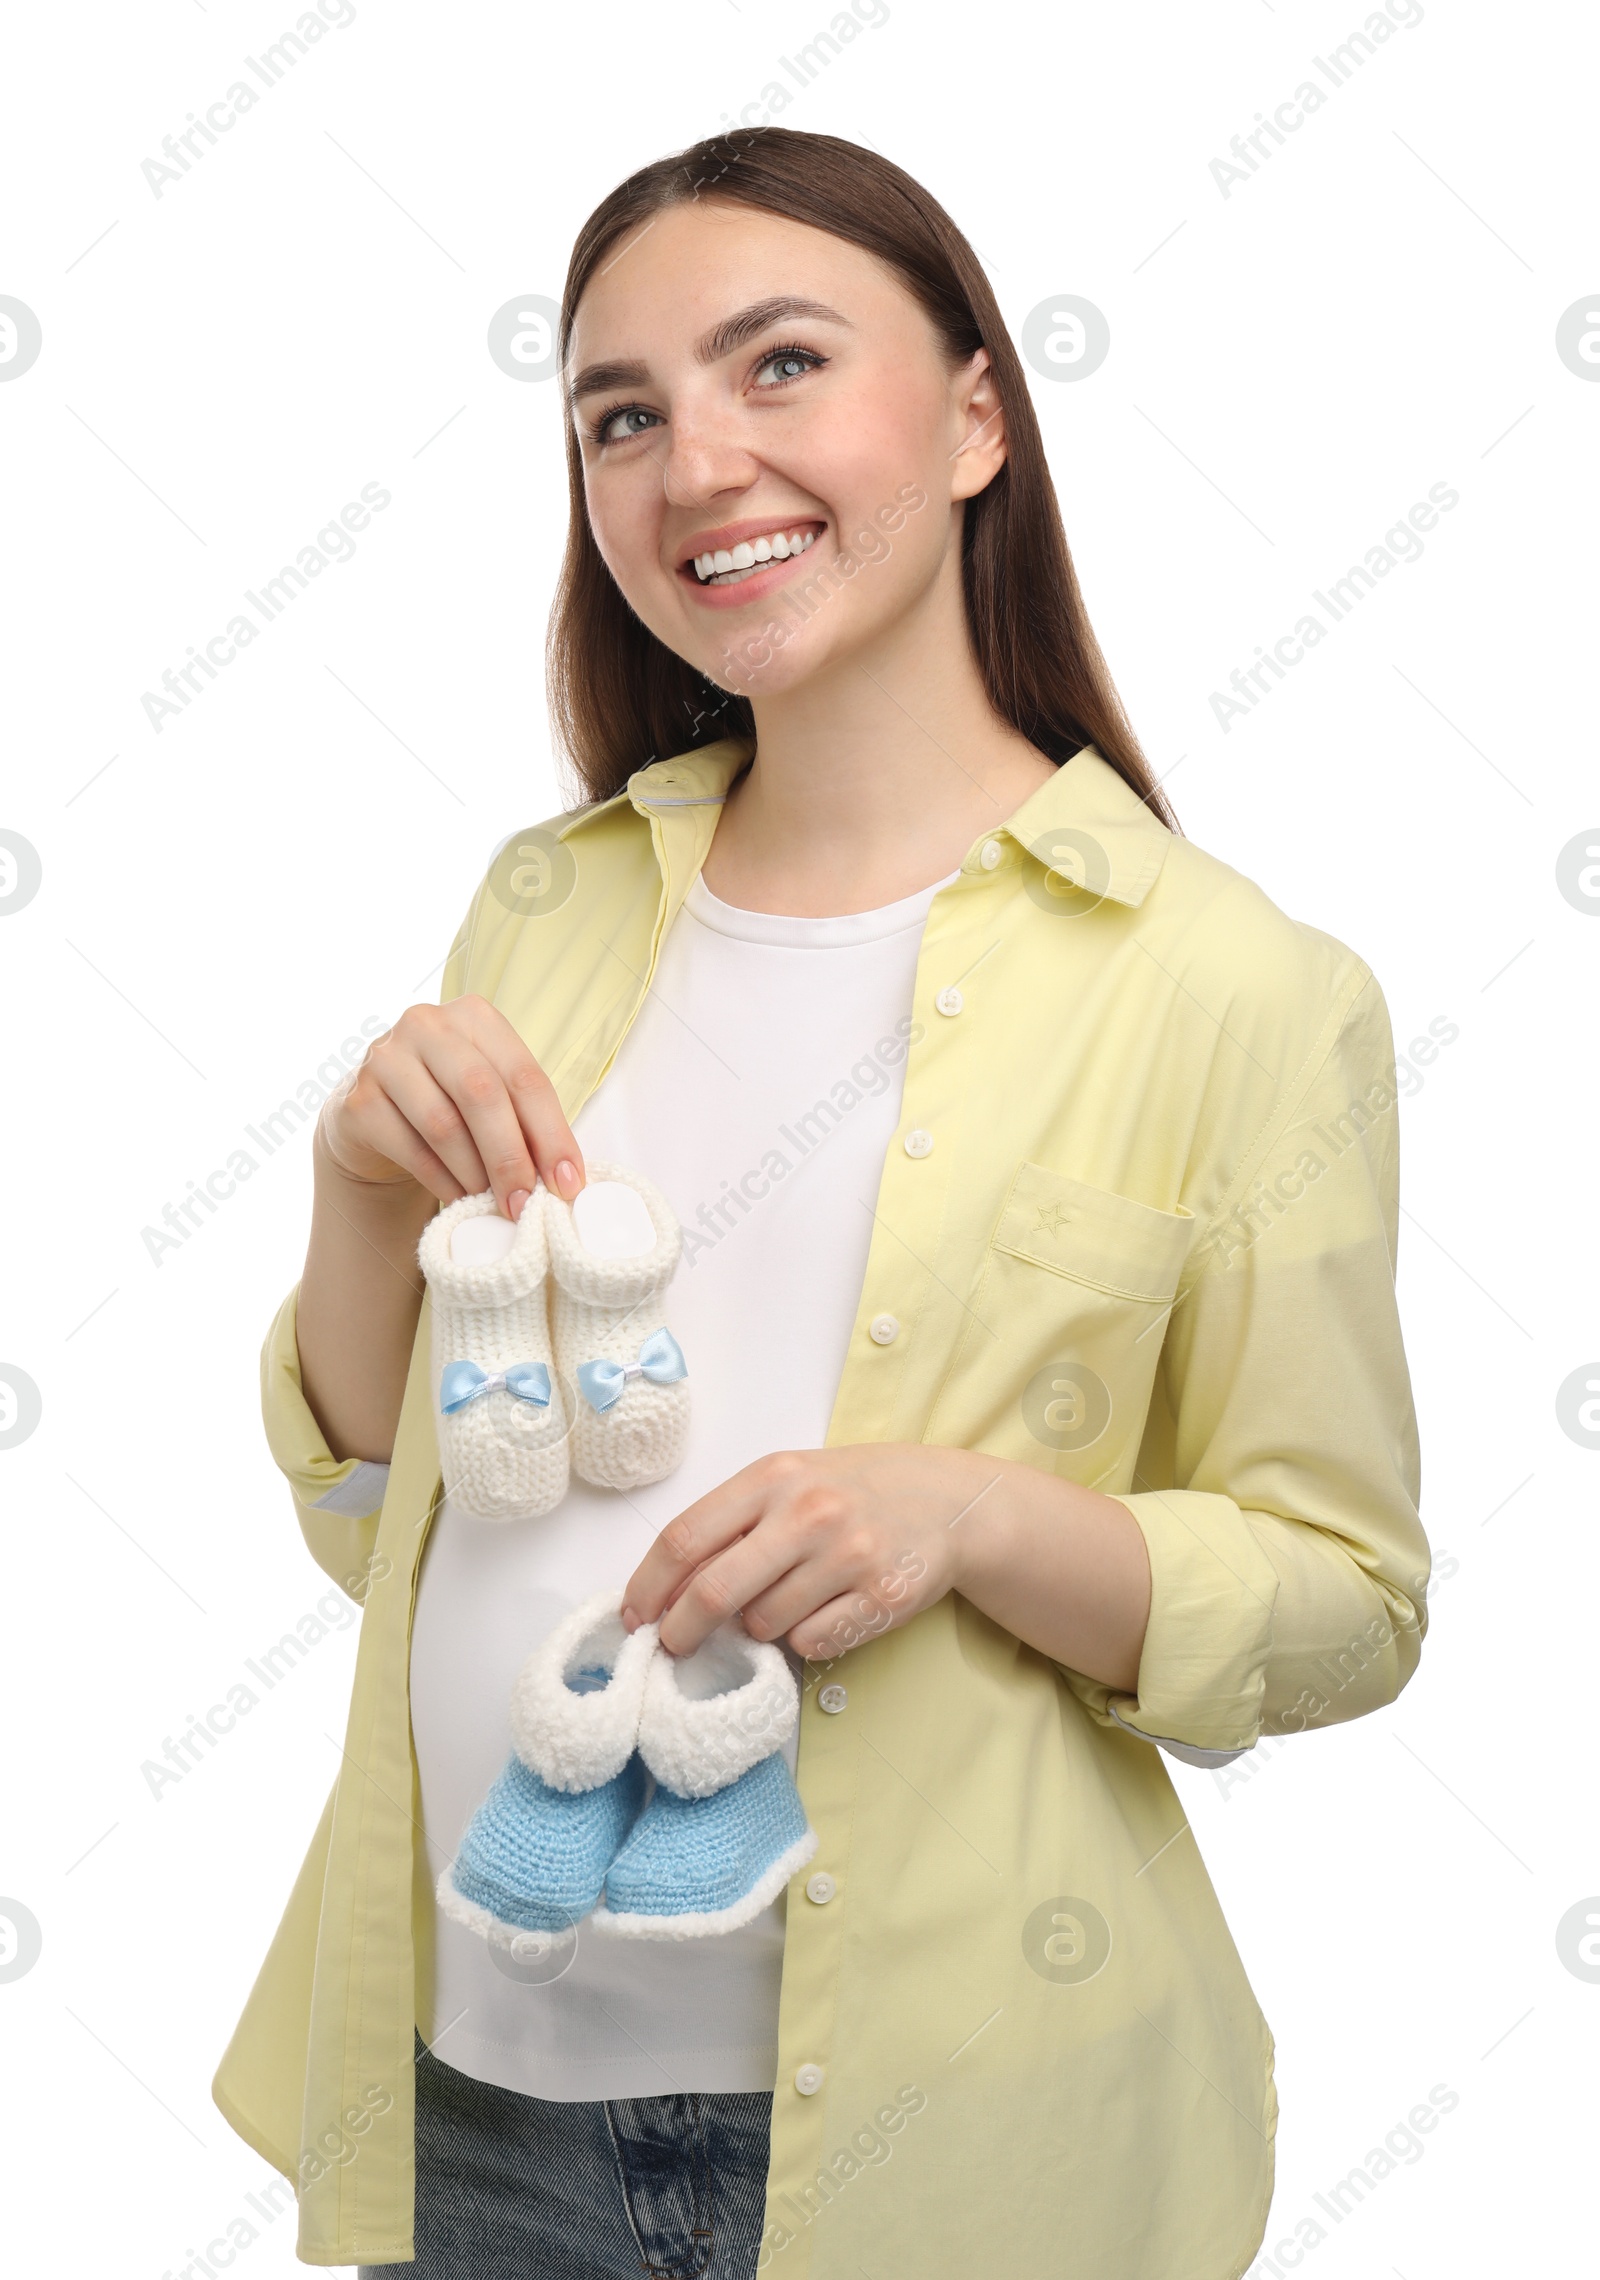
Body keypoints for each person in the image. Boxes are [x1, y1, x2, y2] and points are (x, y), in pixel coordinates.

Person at [212, 128, 1430, 2280]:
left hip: (955, 2148)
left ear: (975, 416)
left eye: (778, 367)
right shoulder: (548, 903)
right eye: (620, 414)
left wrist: (965, 1522)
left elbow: (1344, 1601)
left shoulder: (1230, 990)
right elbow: (373, 1528)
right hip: (461, 2101)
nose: (695, 466)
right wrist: (345, 1193)